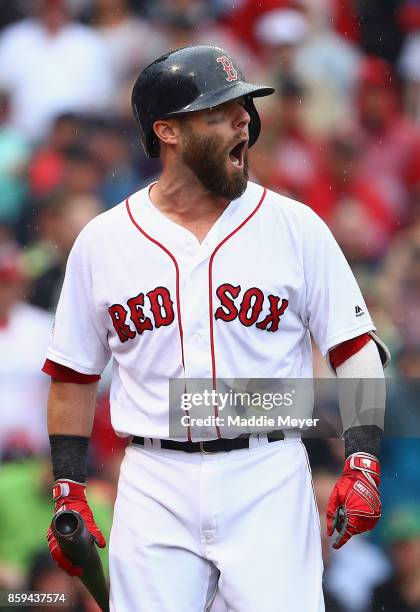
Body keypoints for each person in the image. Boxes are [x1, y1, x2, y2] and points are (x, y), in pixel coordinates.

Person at [43, 45, 390, 611]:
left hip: (267, 473)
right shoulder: (104, 241)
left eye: (243, 110)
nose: (243, 123)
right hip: (154, 481)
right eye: (220, 113)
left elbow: (356, 351)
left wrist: (362, 459)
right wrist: (69, 486)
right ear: (168, 132)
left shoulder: (294, 226)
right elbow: (73, 374)